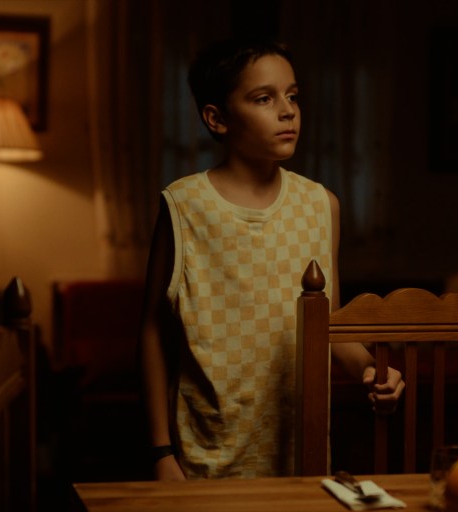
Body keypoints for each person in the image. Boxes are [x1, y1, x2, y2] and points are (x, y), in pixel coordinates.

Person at [138, 37, 406, 481]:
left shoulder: (321, 205)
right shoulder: (183, 206)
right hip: (205, 455)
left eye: (292, 96)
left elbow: (330, 326)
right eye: (264, 98)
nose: (288, 111)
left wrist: (373, 372)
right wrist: (160, 452)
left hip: (301, 456)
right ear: (217, 118)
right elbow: (152, 330)